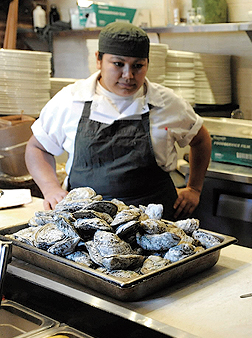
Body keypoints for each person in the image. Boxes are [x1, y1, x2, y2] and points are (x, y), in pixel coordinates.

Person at [25, 22, 211, 220]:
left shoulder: (167, 103)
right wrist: (50, 188)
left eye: (138, 66)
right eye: (118, 64)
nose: (128, 75)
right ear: (99, 59)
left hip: (154, 224)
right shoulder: (71, 100)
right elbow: (37, 148)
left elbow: (201, 140)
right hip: (86, 223)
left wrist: (194, 189)